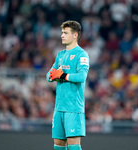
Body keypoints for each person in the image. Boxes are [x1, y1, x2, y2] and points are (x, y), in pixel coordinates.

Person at [46, 20, 89, 150]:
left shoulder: (82, 54)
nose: (62, 35)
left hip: (73, 108)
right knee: (58, 146)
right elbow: (49, 76)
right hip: (59, 107)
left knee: (74, 146)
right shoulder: (60, 55)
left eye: (65, 33)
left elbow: (81, 77)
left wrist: (63, 76)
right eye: (62, 32)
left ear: (75, 35)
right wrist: (53, 76)